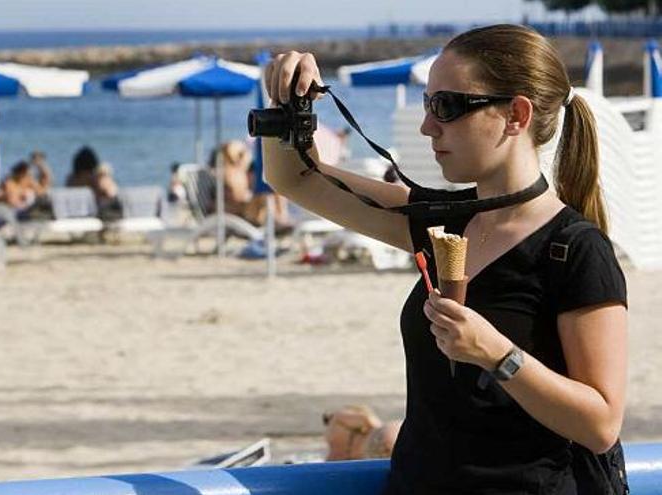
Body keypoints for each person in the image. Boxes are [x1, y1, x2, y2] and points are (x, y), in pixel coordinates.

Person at [263, 24, 627, 494]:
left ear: (515, 114)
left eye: (447, 106)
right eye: (426, 103)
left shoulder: (575, 250)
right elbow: (299, 181)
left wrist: (496, 353)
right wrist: (290, 103)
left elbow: (601, 424)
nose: (427, 126)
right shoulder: (441, 223)